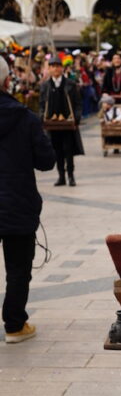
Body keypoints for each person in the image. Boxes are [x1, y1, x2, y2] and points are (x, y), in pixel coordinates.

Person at [0, 56, 56, 342]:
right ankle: (14, 325)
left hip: (15, 203)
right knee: (18, 269)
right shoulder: (25, 117)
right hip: (16, 204)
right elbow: (46, 161)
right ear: (8, 80)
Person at [39, 56, 84, 186]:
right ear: (49, 69)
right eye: (52, 66)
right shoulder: (45, 86)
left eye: (58, 66)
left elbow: (78, 103)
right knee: (57, 150)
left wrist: (76, 118)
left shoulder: (70, 84)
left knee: (68, 150)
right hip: (53, 125)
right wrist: (43, 117)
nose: (56, 69)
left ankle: (71, 175)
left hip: (68, 124)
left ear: (62, 68)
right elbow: (42, 104)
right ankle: (61, 176)